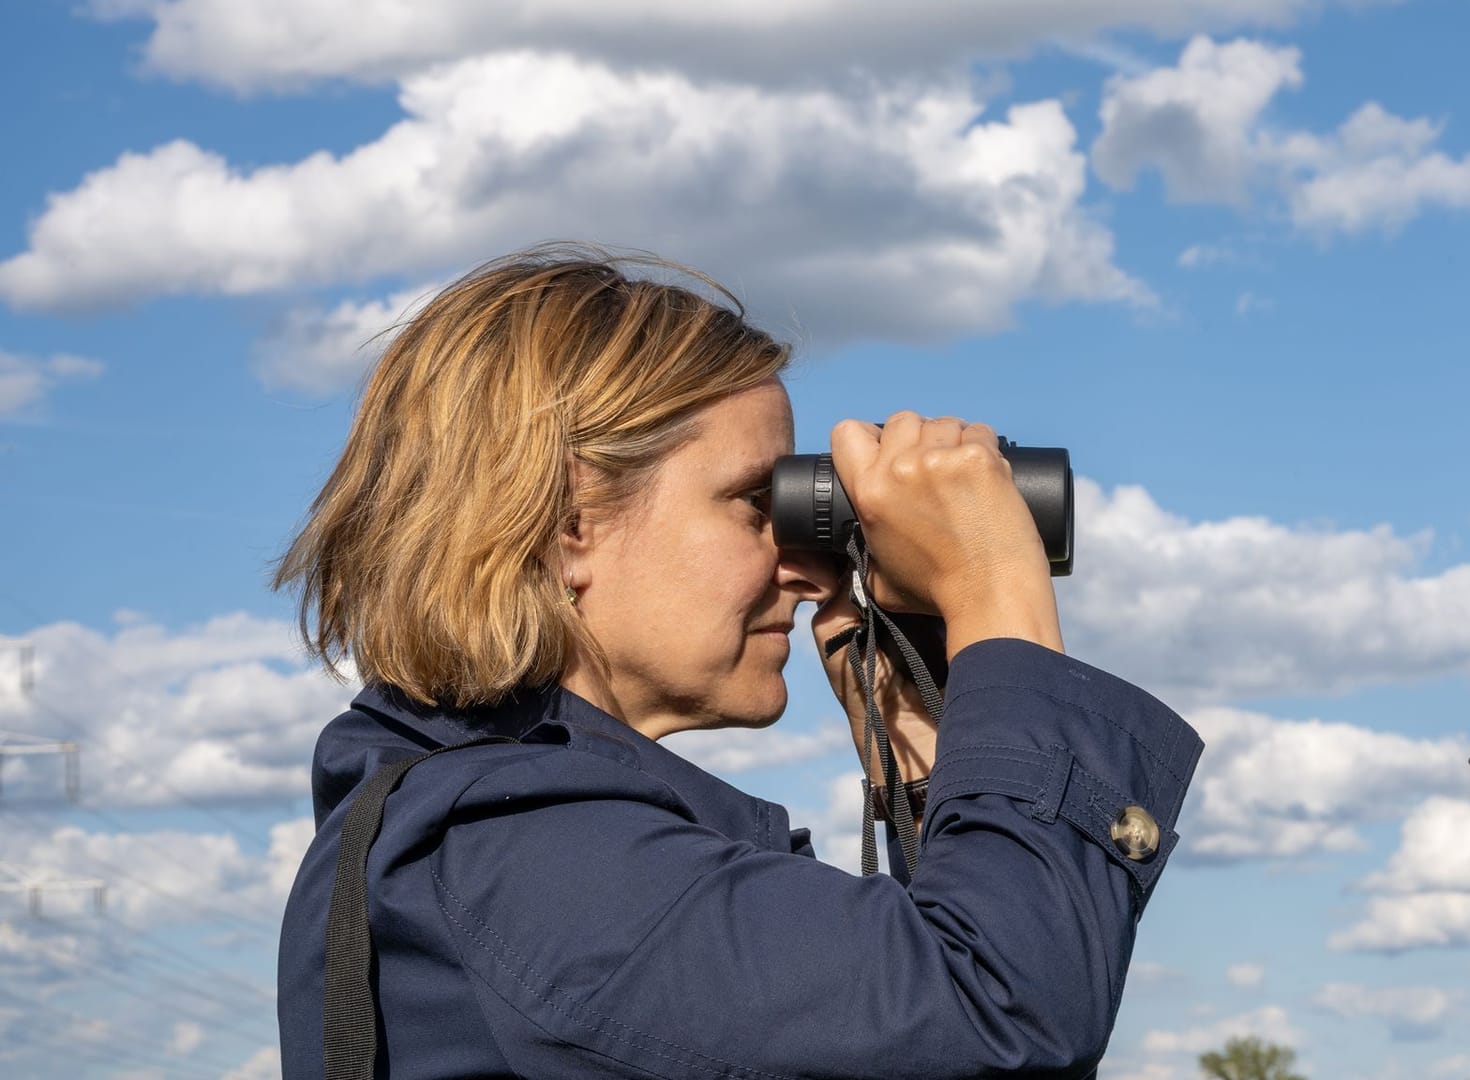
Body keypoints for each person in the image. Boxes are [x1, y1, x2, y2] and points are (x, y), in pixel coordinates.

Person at [273, 244, 1202, 1078]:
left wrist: (928, 758)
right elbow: (1010, 1016)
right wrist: (997, 594)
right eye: (758, 506)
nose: (803, 569)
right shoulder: (517, 861)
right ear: (567, 528)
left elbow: (941, 1048)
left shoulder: (487, 841)